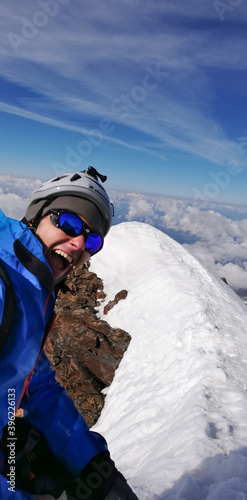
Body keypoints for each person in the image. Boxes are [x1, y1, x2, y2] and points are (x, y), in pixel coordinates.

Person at [0, 167, 138, 500]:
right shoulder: (5, 284)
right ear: (37, 215)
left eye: (92, 239)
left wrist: (94, 465)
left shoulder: (33, 290)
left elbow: (37, 385)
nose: (78, 243)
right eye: (69, 223)